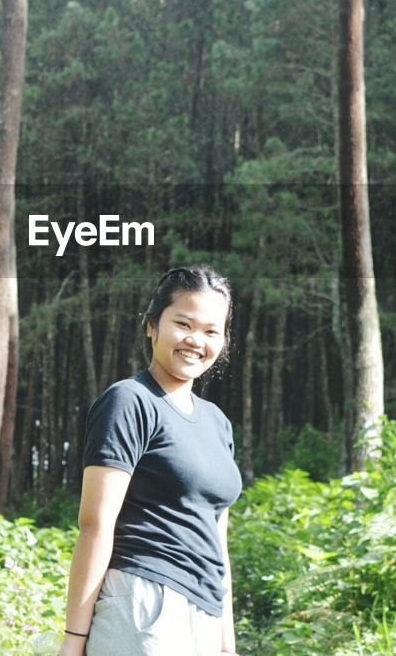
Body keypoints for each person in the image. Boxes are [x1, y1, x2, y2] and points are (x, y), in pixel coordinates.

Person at [58, 266, 243, 656]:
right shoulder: (129, 401)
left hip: (205, 613)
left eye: (211, 331)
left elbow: (216, 540)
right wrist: (74, 640)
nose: (196, 340)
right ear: (151, 325)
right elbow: (95, 522)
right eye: (183, 324)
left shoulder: (217, 423)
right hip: (145, 604)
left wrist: (226, 643)